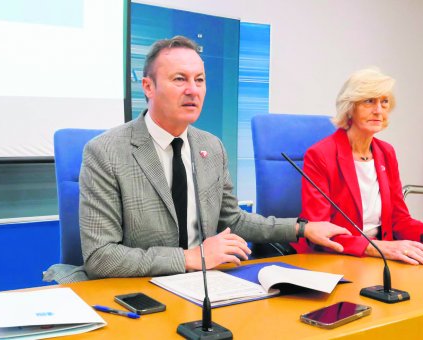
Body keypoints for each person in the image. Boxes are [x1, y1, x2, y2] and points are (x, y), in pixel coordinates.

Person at [79, 36, 351, 278]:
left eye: (199, 80)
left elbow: (233, 220)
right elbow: (100, 257)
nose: (193, 90)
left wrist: (301, 229)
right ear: (148, 87)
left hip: (210, 282)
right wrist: (189, 258)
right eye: (179, 79)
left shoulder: (211, 147)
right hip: (144, 289)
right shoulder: (106, 152)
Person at [299, 68, 423, 265]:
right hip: (338, 258)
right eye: (369, 101)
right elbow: (320, 231)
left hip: (382, 257)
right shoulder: (320, 155)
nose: (379, 110)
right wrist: (378, 247)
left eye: (384, 102)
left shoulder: (386, 153)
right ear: (350, 107)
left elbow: (399, 219)